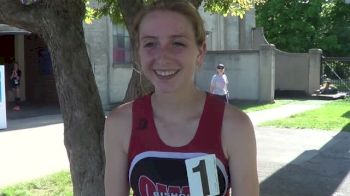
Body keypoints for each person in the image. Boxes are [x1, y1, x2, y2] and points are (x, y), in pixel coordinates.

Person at [104, 1, 259, 195]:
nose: (163, 57)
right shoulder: (121, 123)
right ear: (138, 52)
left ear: (200, 52)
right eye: (150, 44)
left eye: (177, 43)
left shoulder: (232, 126)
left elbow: (203, 189)